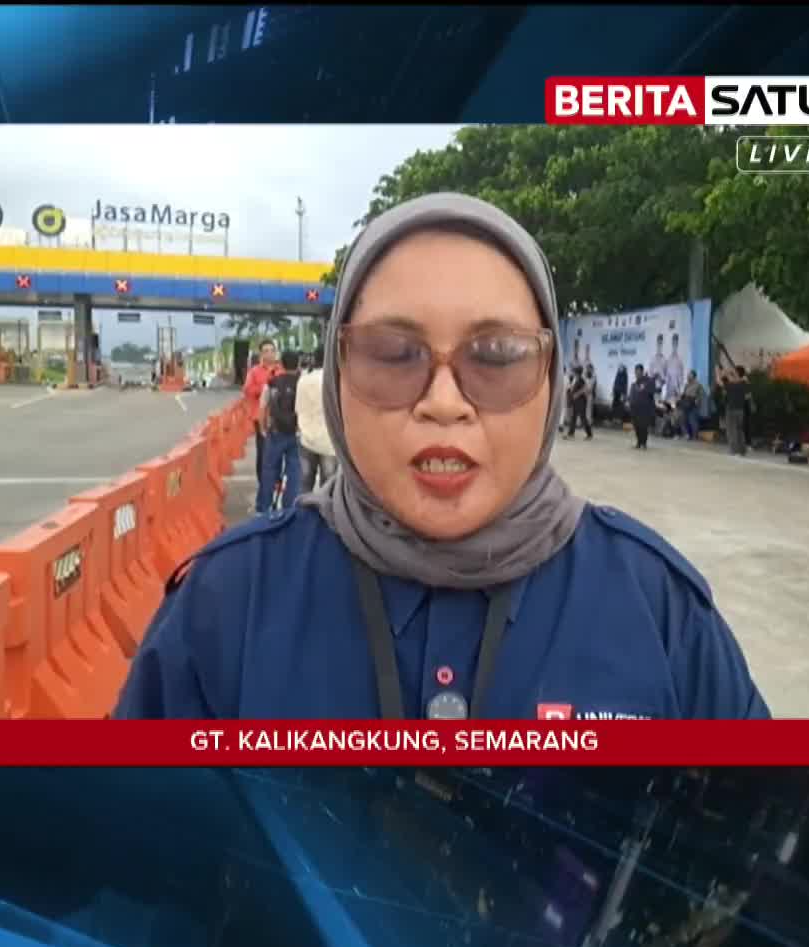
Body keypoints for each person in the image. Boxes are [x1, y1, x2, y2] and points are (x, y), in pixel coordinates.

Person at [114, 192, 766, 720]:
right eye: (395, 355)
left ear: (549, 377)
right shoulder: (227, 603)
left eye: (498, 356)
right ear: (338, 372)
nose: (445, 402)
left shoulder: (657, 607)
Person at [258, 361, 303, 512]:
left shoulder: (272, 383)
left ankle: (264, 507)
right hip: (295, 433)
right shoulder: (302, 382)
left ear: (282, 364)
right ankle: (289, 508)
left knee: (269, 470)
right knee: (294, 472)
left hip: (275, 432)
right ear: (298, 364)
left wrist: (263, 427)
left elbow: (263, 407)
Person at [242, 343, 278, 504]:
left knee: (277, 454)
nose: (269, 354)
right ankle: (263, 485)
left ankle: (276, 484)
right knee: (264, 453)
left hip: (280, 419)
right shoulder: (254, 372)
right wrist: (265, 387)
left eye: (271, 350)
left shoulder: (281, 370)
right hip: (261, 419)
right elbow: (248, 390)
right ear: (261, 354)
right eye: (265, 351)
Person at [296, 355, 335, 491]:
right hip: (329, 440)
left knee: (305, 482)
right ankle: (324, 511)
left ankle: (303, 511)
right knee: (328, 483)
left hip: (306, 438)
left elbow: (298, 409)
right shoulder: (336, 380)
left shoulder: (303, 380)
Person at [718, 364, 749, 456]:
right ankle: (742, 450)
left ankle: (734, 450)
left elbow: (719, 381)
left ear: (736, 374)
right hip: (740, 410)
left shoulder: (731, 385)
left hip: (731, 409)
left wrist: (719, 372)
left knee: (732, 431)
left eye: (734, 372)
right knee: (739, 430)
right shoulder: (744, 383)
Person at [628, 363, 656, 450]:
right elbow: (632, 395)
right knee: (636, 426)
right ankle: (639, 442)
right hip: (635, 408)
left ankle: (644, 443)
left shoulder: (648, 381)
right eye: (635, 371)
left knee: (643, 426)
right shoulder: (634, 384)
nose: (637, 373)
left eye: (638, 371)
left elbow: (652, 392)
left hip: (645, 409)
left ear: (642, 371)